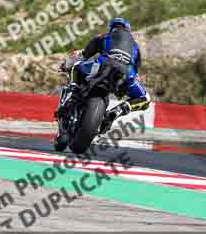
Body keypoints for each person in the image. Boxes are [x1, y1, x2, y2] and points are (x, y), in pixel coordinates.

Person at [54, 18, 151, 149]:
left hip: (103, 64)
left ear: (111, 28)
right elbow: (136, 70)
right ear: (128, 29)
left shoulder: (103, 37)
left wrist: (65, 66)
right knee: (145, 99)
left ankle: (72, 92)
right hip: (127, 73)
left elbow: (83, 55)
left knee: (76, 67)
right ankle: (118, 110)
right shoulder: (135, 47)